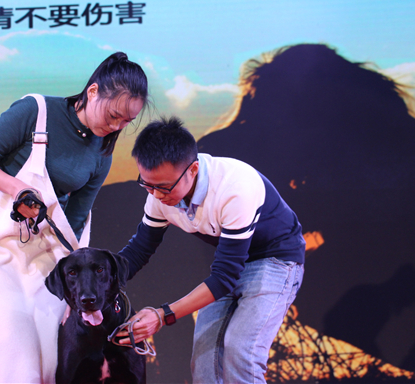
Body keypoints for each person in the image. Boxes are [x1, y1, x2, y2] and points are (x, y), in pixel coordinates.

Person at [0, 52, 149, 384]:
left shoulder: (101, 152)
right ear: (93, 92)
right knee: (16, 365)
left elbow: (75, 220)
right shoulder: (35, 111)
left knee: (50, 365)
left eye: (126, 122)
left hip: (47, 261)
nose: (116, 126)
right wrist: (17, 189)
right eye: (113, 115)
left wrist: (74, 289)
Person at [117, 116, 305, 384]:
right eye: (147, 185)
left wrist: (162, 315)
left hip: (275, 259)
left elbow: (224, 276)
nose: (156, 195)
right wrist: (97, 280)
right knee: (205, 362)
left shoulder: (234, 188)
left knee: (240, 352)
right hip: (234, 264)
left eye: (164, 187)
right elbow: (139, 250)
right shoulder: (159, 194)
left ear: (192, 170)